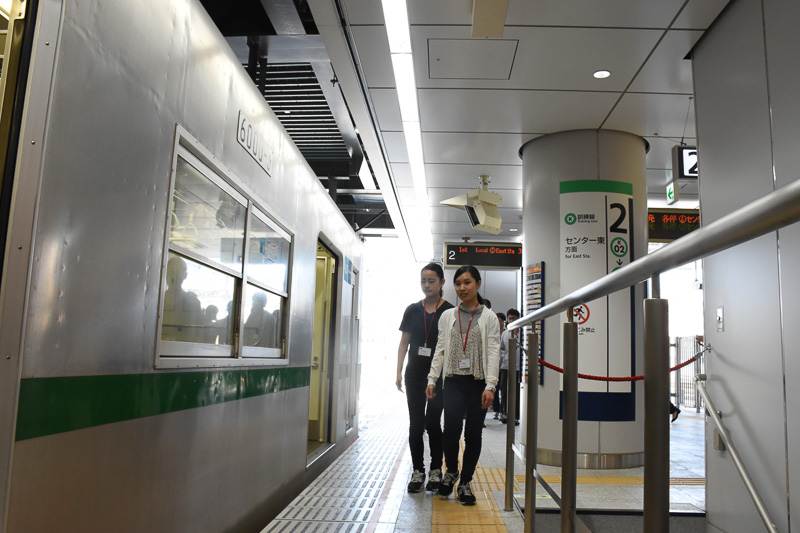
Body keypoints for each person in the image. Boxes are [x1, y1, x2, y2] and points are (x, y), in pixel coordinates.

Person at [426, 265, 500, 505]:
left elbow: (493, 352)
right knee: (450, 431)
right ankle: (451, 471)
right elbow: (440, 349)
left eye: (467, 282)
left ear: (478, 284)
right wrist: (432, 378)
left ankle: (466, 481)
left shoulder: (489, 317)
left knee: (473, 434)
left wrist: (491, 385)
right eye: (458, 283)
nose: (462, 288)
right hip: (453, 381)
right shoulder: (448, 316)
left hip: (478, 384)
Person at [397, 263, 454, 493]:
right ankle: (418, 471)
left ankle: (436, 470)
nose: (427, 285)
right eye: (423, 281)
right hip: (414, 375)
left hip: (438, 377)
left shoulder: (449, 311)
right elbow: (404, 343)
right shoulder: (412, 310)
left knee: (432, 423)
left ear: (442, 282)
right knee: (416, 425)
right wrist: (398, 371)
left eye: (431, 281)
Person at [499, 309, 521, 425]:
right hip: (505, 366)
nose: (511, 320)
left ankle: (515, 416)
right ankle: (505, 413)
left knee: (516, 393)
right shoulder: (505, 333)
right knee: (504, 391)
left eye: (514, 318)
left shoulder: (522, 333)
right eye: (510, 318)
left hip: (518, 367)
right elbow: (501, 349)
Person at [492, 313, 506, 418]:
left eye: (500, 321)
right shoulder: (493, 334)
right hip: (495, 364)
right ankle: (496, 409)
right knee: (495, 388)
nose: (499, 323)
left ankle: (503, 410)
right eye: (497, 321)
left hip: (504, 364)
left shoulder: (506, 333)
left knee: (503, 389)